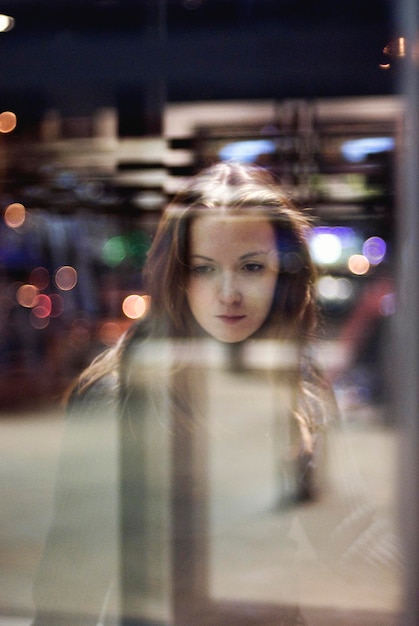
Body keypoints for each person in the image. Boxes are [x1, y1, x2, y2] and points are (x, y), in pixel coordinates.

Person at [31, 163, 400, 626]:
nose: (229, 293)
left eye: (251, 267)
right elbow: (69, 583)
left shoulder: (296, 383)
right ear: (177, 278)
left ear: (283, 277)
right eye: (205, 269)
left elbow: (343, 531)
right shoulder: (120, 396)